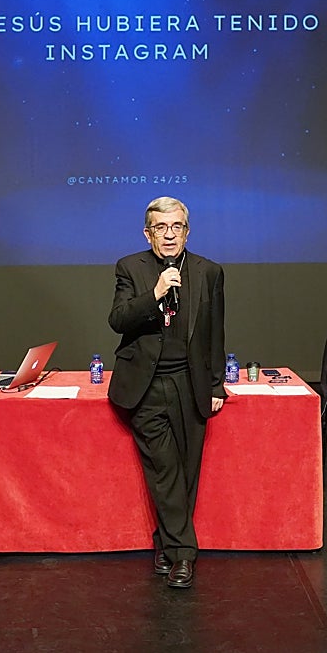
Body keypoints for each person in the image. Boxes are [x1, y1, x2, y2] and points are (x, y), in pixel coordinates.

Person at [108, 196, 226, 588]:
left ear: (187, 232)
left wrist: (215, 385)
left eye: (177, 227)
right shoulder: (131, 267)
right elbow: (118, 319)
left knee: (187, 471)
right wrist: (156, 292)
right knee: (165, 469)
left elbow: (214, 332)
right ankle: (184, 557)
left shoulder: (209, 271)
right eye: (161, 228)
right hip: (146, 386)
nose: (170, 235)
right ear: (148, 233)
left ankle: (164, 545)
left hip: (190, 384)